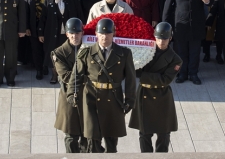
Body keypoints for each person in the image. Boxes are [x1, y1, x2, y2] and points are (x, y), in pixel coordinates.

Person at [67, 18, 136, 153]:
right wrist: (71, 93)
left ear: (113, 34)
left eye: (108, 34)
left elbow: (131, 80)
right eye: (101, 34)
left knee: (111, 142)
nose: (105, 37)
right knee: (93, 141)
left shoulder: (124, 53)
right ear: (96, 35)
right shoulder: (87, 52)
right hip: (92, 98)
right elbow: (76, 75)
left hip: (113, 99)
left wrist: (130, 101)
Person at [129, 22, 182, 153]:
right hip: (144, 93)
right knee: (144, 134)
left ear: (170, 39)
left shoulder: (175, 59)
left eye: (164, 38)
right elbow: (134, 69)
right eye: (158, 38)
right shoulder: (145, 50)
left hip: (162, 96)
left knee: (163, 134)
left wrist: (143, 75)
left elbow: (165, 80)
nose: (161, 41)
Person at [162, 0, 211, 85]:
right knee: (181, 52)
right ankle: (182, 73)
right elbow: (167, 8)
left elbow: (209, 4)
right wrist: (166, 27)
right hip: (180, 25)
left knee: (195, 52)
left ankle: (193, 74)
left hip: (196, 24)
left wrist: (207, 2)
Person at [52, 18, 87, 153]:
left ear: (82, 33)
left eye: (77, 33)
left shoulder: (88, 48)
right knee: (71, 136)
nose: (75, 36)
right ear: (66, 34)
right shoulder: (59, 53)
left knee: (87, 135)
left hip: (86, 98)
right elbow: (65, 76)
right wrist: (87, 76)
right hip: (70, 98)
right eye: (71, 33)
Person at [39, 0, 82, 84]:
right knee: (54, 54)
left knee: (71, 53)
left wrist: (81, 29)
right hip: (53, 33)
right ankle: (54, 75)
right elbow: (43, 18)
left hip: (70, 34)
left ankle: (70, 76)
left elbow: (80, 14)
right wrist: (40, 33)